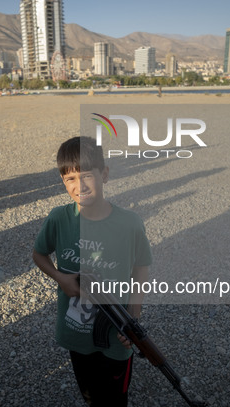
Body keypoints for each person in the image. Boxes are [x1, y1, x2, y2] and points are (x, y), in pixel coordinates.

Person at [32, 136, 152, 406]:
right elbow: (39, 254)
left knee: (116, 398)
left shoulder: (130, 224)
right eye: (70, 179)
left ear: (105, 174)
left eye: (86, 176)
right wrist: (61, 277)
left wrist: (133, 315)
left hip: (117, 332)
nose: (79, 186)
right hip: (76, 332)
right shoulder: (59, 219)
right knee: (90, 395)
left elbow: (141, 267)